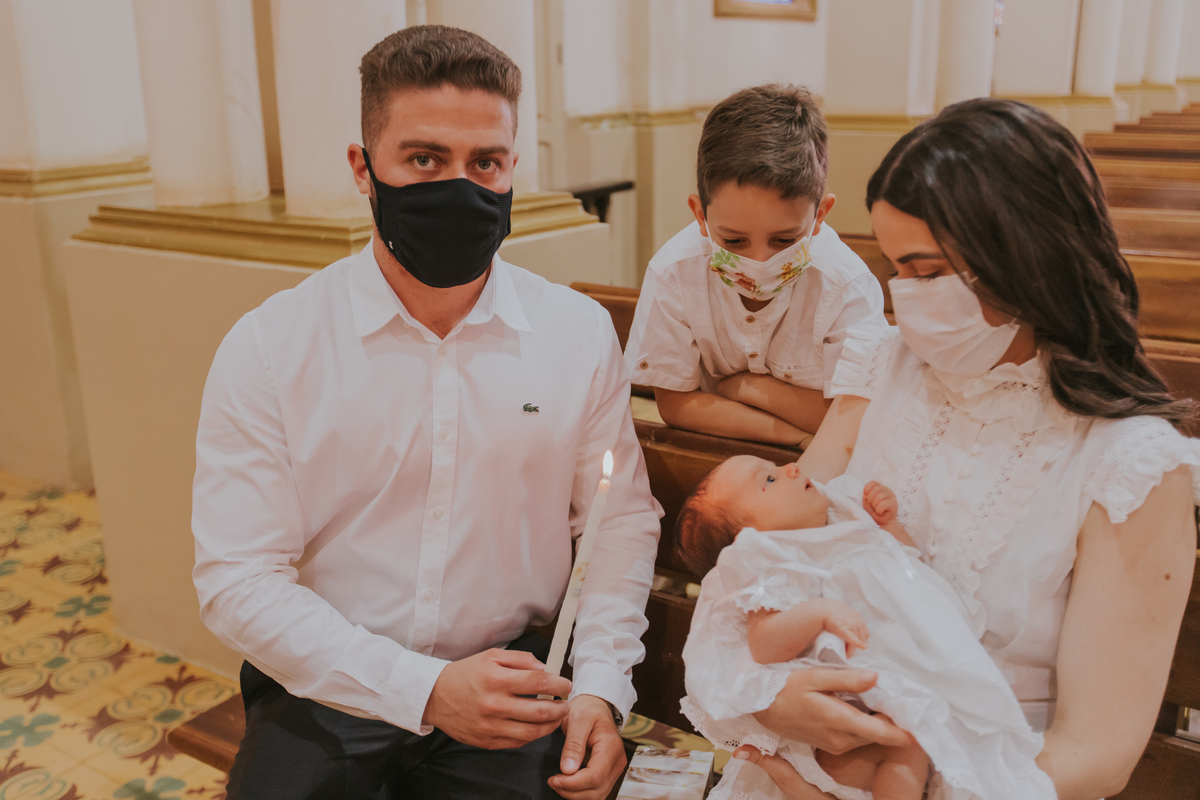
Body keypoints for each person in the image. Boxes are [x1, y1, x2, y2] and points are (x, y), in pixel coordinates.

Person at [191, 25, 662, 800]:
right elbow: (237, 579)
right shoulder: (273, 346)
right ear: (363, 167)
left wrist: (600, 689)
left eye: (486, 163)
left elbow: (620, 523)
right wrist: (426, 689)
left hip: (517, 676)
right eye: (424, 159)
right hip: (332, 679)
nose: (459, 187)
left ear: (513, 167)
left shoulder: (575, 335)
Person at [727, 98, 1199, 800]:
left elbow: (1095, 753)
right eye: (894, 268)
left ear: (1023, 255)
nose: (903, 299)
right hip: (807, 761)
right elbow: (773, 558)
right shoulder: (884, 365)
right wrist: (765, 697)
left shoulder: (1132, 465)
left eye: (926, 272)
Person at [677, 456, 1055, 800]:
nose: (792, 467)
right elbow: (764, 644)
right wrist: (818, 612)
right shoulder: (771, 560)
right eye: (770, 480)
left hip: (890, 679)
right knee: (904, 739)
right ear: (748, 537)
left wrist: (888, 527)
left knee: (911, 739)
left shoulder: (844, 520)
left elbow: (905, 568)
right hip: (843, 699)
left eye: (776, 467)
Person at [623, 84, 888, 448]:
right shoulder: (674, 271)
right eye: (734, 241)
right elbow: (675, 404)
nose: (759, 262)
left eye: (784, 240)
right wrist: (797, 436)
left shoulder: (846, 285)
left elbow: (858, 417)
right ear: (700, 214)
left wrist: (745, 388)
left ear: (820, 214)